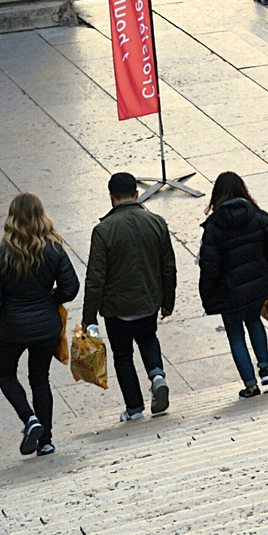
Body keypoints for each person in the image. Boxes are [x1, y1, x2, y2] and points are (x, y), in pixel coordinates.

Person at [0, 193, 78, 459]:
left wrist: (11, 305)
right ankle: (45, 440)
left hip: (10, 329)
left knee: (5, 374)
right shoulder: (55, 250)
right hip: (46, 326)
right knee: (40, 379)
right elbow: (71, 288)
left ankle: (29, 419)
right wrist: (49, 300)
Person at [84, 173, 177, 422]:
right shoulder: (157, 222)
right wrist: (168, 301)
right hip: (149, 301)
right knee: (148, 339)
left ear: (112, 197)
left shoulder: (103, 231)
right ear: (136, 195)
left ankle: (134, 408)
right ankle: (157, 375)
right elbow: (168, 266)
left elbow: (95, 279)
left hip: (117, 309)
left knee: (123, 356)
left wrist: (88, 317)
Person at [198, 172, 268, 399]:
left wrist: (206, 294)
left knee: (236, 335)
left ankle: (250, 385)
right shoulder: (259, 217)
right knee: (254, 320)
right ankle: (265, 368)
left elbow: (209, 267)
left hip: (228, 293)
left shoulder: (214, 227)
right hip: (257, 286)